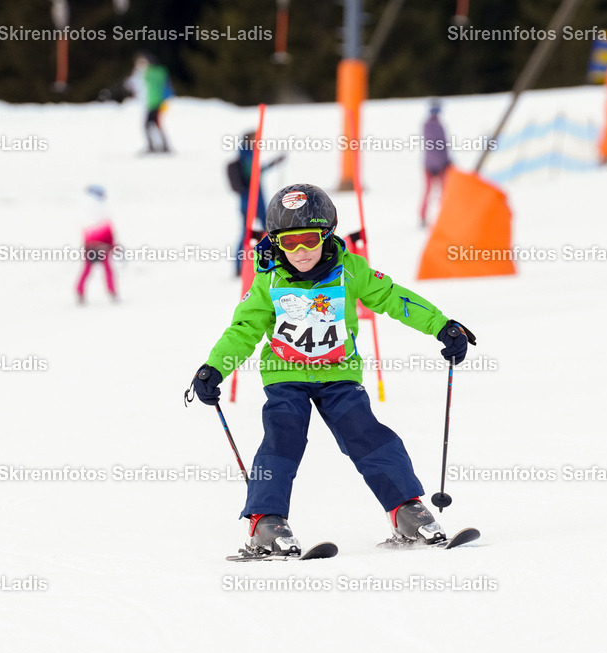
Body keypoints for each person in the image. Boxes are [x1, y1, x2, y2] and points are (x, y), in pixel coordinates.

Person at [185, 183, 475, 557]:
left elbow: (392, 297)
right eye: (289, 243)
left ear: (327, 234)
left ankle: (406, 508)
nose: (300, 251)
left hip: (339, 375)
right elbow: (244, 330)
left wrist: (440, 324)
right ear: (276, 243)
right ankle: (266, 522)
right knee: (282, 438)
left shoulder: (349, 269)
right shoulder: (269, 280)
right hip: (286, 376)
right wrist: (214, 368)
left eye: (308, 239)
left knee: (368, 435)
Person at [227, 131, 286, 276]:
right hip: (252, 201)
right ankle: (247, 264)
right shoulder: (247, 154)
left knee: (248, 232)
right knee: (261, 231)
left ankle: (241, 265)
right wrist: (272, 164)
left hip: (248, 200)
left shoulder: (246, 153)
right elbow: (252, 173)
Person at [75, 185, 119, 304]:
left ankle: (79, 292)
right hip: (102, 246)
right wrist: (113, 245)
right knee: (108, 270)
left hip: (90, 246)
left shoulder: (84, 210)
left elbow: (86, 230)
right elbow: (107, 229)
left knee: (87, 270)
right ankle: (112, 293)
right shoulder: (101, 209)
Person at [127, 54, 172, 153]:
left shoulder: (151, 73)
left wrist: (139, 70)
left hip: (156, 103)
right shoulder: (158, 72)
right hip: (156, 103)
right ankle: (163, 146)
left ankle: (156, 146)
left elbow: (134, 81)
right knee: (154, 124)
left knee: (148, 125)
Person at [420, 100, 450, 226]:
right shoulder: (432, 126)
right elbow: (434, 147)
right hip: (434, 165)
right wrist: (437, 164)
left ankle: (443, 216)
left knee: (441, 191)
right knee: (434, 191)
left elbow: (442, 147)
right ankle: (426, 216)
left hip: (438, 164)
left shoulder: (436, 124)